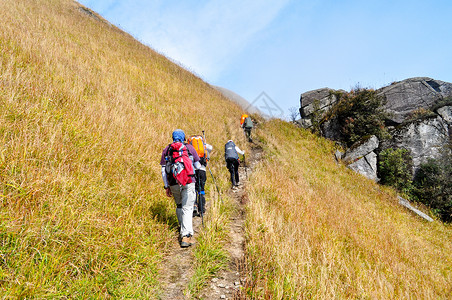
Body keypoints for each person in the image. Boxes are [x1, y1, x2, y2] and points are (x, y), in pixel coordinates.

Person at [161, 129, 201, 248]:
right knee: (187, 208)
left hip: (173, 182)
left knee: (179, 205)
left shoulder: (167, 150)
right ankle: (186, 236)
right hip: (188, 181)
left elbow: (163, 170)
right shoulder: (189, 148)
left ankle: (181, 227)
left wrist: (166, 185)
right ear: (183, 137)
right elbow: (198, 166)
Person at [187, 135, 213, 216]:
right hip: (202, 170)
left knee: (194, 189)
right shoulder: (205, 147)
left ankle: (194, 206)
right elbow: (211, 148)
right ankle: (201, 209)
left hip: (193, 171)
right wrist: (204, 144)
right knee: (201, 189)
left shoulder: (190, 148)